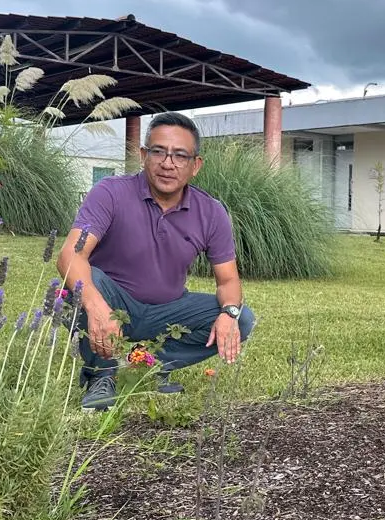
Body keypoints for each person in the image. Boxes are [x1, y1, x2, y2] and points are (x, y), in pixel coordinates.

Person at [58, 111, 256, 410]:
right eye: (158, 152)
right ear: (143, 155)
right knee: (85, 282)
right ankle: (102, 373)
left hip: (167, 310)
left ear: (195, 166)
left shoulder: (211, 212)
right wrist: (97, 308)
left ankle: (143, 364)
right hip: (113, 301)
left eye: (180, 155)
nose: (168, 163)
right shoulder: (110, 193)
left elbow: (228, 280)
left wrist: (228, 313)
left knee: (242, 317)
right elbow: (71, 254)